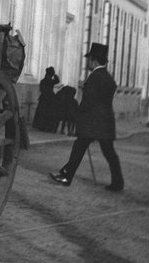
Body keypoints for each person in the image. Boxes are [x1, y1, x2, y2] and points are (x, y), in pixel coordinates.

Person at [49, 42, 123, 191]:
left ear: (94, 60)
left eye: (89, 59)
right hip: (106, 122)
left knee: (79, 147)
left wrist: (77, 114)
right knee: (109, 153)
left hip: (92, 122)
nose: (87, 62)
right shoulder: (107, 77)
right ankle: (118, 182)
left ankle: (66, 176)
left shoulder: (95, 77)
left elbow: (88, 102)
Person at [32, 66, 61, 131]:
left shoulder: (44, 81)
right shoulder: (49, 81)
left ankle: (42, 126)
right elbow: (57, 80)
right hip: (48, 97)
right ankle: (46, 126)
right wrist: (55, 75)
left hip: (45, 98)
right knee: (46, 112)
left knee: (43, 113)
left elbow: (42, 89)